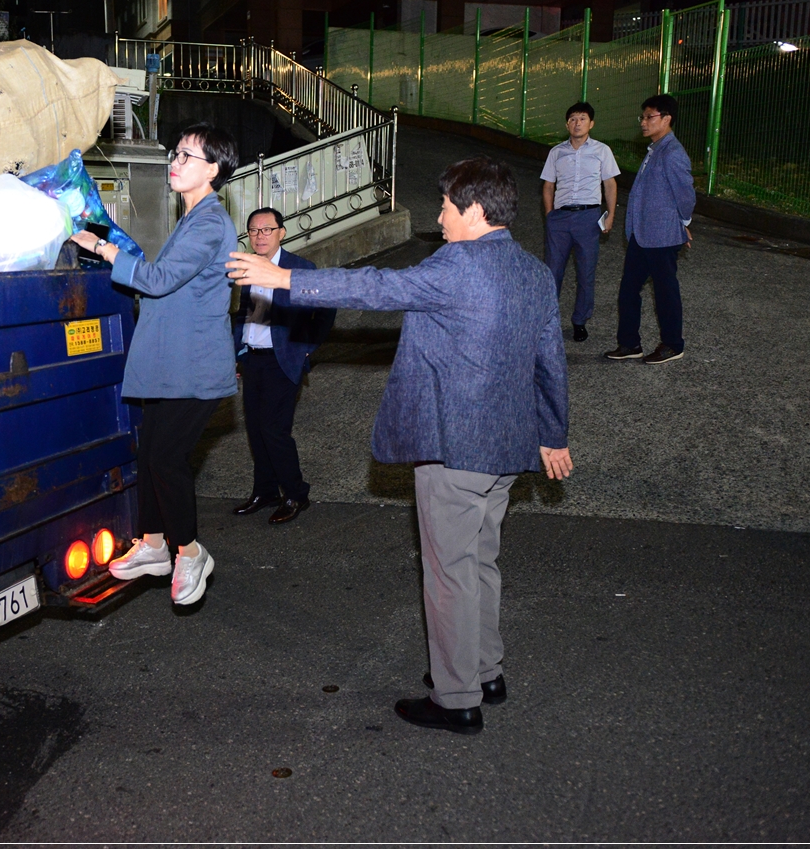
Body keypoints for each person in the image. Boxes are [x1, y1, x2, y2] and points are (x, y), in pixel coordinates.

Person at [227, 156, 571, 736]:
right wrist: (553, 434)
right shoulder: (533, 272)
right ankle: (487, 671)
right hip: (508, 449)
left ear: (476, 211)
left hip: (453, 450)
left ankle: (457, 697)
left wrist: (284, 278)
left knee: (449, 575)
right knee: (481, 563)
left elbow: (378, 287)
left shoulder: (458, 264)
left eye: (444, 207)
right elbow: (550, 363)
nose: (438, 218)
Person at [68, 123, 239, 606]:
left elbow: (159, 280)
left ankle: (189, 551)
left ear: (214, 170)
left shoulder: (208, 223)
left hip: (194, 369)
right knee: (151, 454)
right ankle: (154, 543)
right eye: (176, 154)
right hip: (172, 367)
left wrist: (103, 249)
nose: (175, 163)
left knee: (166, 458)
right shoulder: (192, 218)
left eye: (187, 157)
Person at [230, 208, 335, 525]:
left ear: (282, 232)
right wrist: (239, 350)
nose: (259, 236)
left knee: (275, 431)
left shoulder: (299, 268)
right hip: (253, 359)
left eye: (266, 229)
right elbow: (246, 312)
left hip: (282, 360)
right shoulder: (248, 268)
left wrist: (305, 348)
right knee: (256, 431)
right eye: (253, 231)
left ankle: (296, 494)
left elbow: (325, 308)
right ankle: (265, 491)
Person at [604, 93, 696, 365]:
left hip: (663, 237)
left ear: (666, 119)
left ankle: (672, 344)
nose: (643, 122)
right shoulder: (655, 149)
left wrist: (684, 224)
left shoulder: (673, 153)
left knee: (666, 292)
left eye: (649, 117)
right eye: (642, 117)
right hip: (642, 236)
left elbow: (686, 195)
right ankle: (630, 344)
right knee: (628, 289)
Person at [539, 101, 620, 342]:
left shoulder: (602, 151)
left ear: (591, 123)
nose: (577, 123)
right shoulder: (556, 152)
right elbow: (548, 185)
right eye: (573, 119)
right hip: (560, 218)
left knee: (586, 272)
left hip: (588, 217)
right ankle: (548, 321)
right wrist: (550, 215)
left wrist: (611, 215)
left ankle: (579, 321)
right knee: (553, 271)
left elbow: (610, 184)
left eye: (582, 118)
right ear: (567, 124)